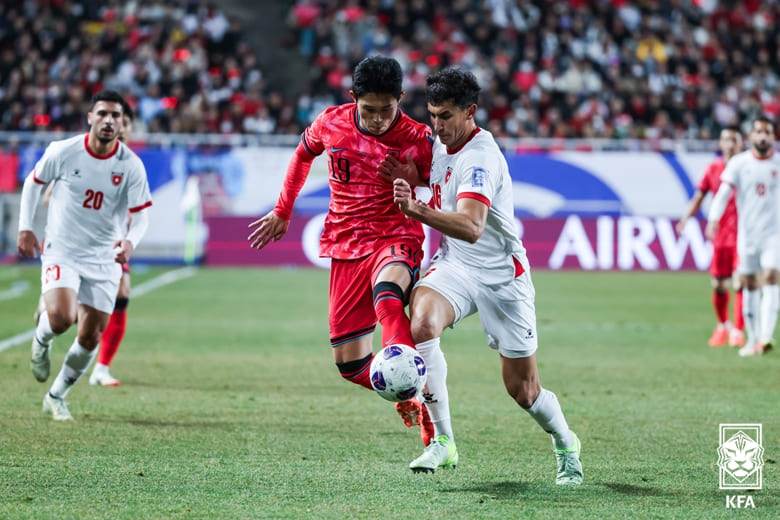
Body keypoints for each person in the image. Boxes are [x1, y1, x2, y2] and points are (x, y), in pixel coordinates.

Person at [389, 68, 583, 484]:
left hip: (501, 277)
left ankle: (566, 442)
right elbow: (434, 177)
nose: (436, 126)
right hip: (456, 265)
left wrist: (417, 208)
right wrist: (413, 179)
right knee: (421, 322)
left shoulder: (481, 158)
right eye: (433, 115)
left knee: (524, 392)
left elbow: (473, 226)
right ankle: (442, 442)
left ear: (470, 112)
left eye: (445, 116)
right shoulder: (441, 142)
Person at [247, 56, 435, 445]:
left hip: (395, 235)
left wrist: (416, 178)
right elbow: (302, 155)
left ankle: (413, 381)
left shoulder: (418, 138)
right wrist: (283, 209)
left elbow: (444, 185)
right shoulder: (330, 122)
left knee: (388, 295)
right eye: (370, 110)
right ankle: (407, 392)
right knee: (349, 365)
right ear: (353, 98)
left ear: (401, 98)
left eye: (388, 109)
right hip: (346, 245)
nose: (380, 118)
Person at [17, 90, 152, 420]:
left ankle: (56, 395)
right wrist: (25, 228)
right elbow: (34, 183)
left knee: (90, 336)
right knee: (62, 318)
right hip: (62, 249)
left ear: (122, 124)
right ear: (90, 118)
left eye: (115, 116)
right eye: (102, 113)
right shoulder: (64, 151)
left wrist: (131, 241)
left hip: (104, 258)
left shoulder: (131, 166)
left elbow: (142, 214)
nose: (109, 120)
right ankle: (42, 340)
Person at [33, 103, 138, 387]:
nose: (121, 126)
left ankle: (101, 367)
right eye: (118, 120)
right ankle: (50, 310)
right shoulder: (80, 156)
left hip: (110, 246)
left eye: (125, 122)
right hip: (72, 244)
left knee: (122, 294)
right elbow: (48, 196)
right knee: (69, 316)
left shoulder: (130, 164)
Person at [707, 115, 780, 357]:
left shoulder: (778, 163)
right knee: (748, 284)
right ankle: (751, 339)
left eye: (767, 132)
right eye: (758, 131)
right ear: (751, 136)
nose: (762, 136)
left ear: (773, 136)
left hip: (774, 234)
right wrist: (714, 219)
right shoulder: (739, 164)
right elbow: (723, 193)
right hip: (747, 235)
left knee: (770, 277)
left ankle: (766, 336)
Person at [677, 126, 745, 348]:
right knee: (718, 284)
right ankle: (723, 325)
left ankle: (738, 331)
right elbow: (699, 196)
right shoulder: (713, 168)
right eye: (726, 139)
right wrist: (686, 219)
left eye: (734, 139)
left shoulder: (748, 168)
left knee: (740, 282)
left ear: (741, 143)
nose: (731, 143)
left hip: (745, 233)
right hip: (720, 233)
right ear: (720, 143)